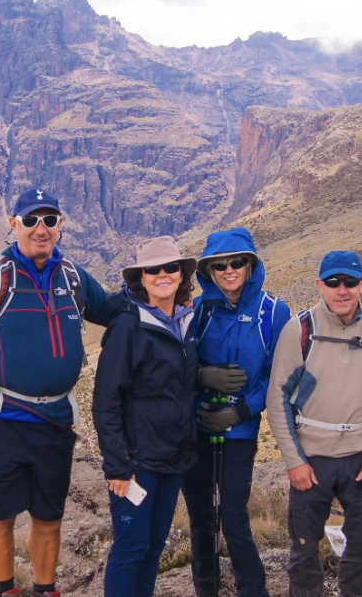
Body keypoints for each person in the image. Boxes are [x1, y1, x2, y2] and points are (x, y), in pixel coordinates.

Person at [0, 188, 110, 597]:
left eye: (49, 220)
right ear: (13, 224)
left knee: (49, 518)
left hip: (55, 421)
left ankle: (44, 589)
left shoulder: (72, 277)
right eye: (31, 220)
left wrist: (162, 295)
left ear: (60, 225)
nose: (41, 228)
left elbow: (113, 311)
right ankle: (6, 591)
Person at [266, 250, 362, 597]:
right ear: (320, 286)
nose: (342, 290)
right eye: (333, 282)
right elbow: (277, 397)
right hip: (312, 462)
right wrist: (294, 462)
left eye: (350, 282)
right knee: (303, 554)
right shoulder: (299, 330)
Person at [181, 228, 291, 597]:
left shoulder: (273, 312)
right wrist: (201, 376)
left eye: (237, 262)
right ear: (208, 270)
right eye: (219, 265)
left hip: (240, 432)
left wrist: (242, 410)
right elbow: (178, 365)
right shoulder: (198, 311)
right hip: (198, 427)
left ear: (250, 265)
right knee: (201, 520)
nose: (229, 270)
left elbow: (277, 376)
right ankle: (206, 590)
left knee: (233, 519)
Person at [92, 236, 200, 597]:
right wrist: (118, 466)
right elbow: (106, 400)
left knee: (153, 547)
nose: (162, 274)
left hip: (173, 457)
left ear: (182, 273)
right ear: (141, 277)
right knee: (131, 549)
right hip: (138, 462)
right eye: (153, 269)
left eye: (170, 267)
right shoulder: (128, 326)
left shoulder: (183, 322)